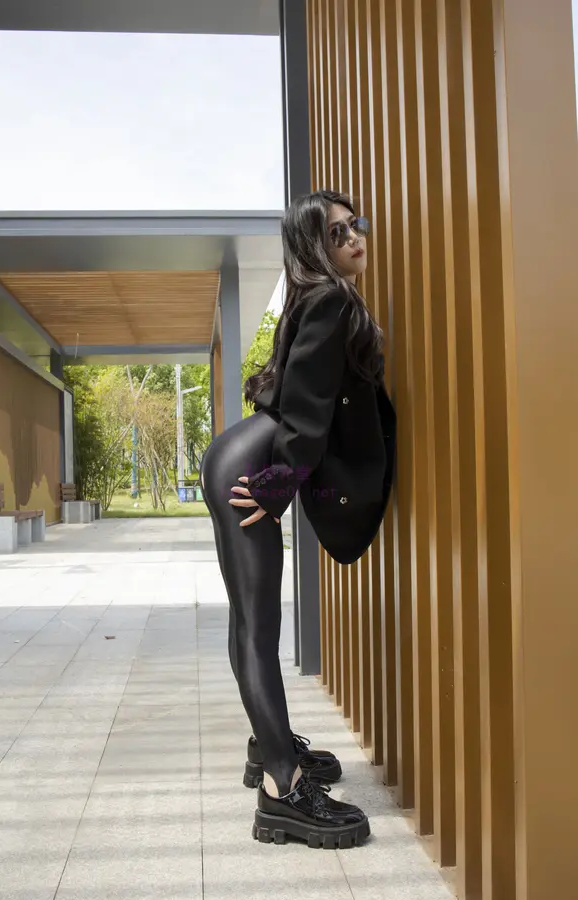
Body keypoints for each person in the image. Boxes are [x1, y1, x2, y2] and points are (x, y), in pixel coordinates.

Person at [200, 190, 396, 849]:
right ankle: (283, 790)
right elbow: (307, 403)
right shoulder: (333, 299)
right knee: (258, 627)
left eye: (355, 225)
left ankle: (271, 744)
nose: (354, 238)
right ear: (316, 245)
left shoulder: (314, 296)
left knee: (250, 620)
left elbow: (289, 387)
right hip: (251, 468)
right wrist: (279, 483)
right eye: (337, 233)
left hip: (240, 455)